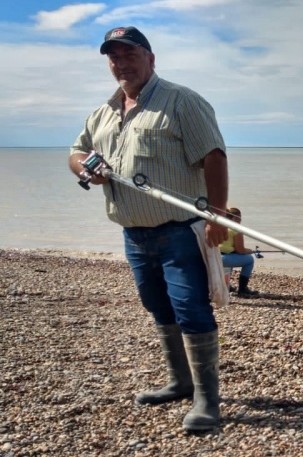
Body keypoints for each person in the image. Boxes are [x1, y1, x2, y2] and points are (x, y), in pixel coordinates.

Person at [68, 26, 227, 432]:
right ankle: (179, 382)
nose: (121, 63)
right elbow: (76, 151)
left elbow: (213, 155)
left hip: (180, 230)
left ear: (150, 58)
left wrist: (218, 215)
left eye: (129, 54)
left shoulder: (181, 101)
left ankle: (208, 401)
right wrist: (87, 168)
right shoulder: (104, 112)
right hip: (134, 235)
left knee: (191, 308)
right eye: (114, 57)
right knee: (157, 306)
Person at [219, 207, 259, 297]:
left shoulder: (218, 225)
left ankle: (226, 286)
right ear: (231, 218)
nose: (239, 221)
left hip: (213, 256)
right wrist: (250, 251)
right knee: (249, 260)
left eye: (240, 219)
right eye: (237, 219)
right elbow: (240, 250)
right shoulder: (236, 229)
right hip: (224, 258)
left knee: (233, 256)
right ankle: (242, 289)